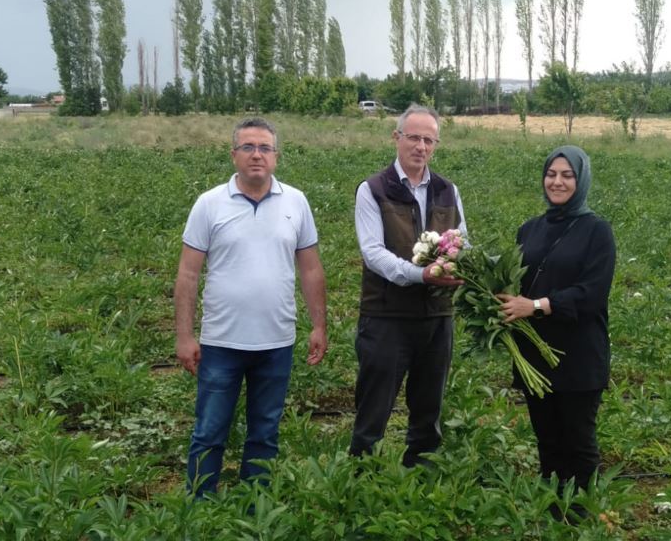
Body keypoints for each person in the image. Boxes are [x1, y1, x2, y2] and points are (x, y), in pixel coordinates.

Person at [174, 117, 328, 497]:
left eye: (265, 148)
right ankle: (199, 508)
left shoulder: (296, 201)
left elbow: (310, 269)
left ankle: (254, 507)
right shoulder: (209, 204)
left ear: (276, 156)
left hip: (276, 343)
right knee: (209, 431)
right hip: (221, 342)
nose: (256, 155)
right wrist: (184, 335)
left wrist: (318, 325)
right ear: (234, 155)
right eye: (248, 147)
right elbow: (188, 274)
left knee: (265, 432)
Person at [497, 145, 616, 519]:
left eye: (567, 175)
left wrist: (534, 306)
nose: (557, 182)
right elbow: (516, 279)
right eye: (551, 174)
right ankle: (553, 516)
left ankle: (580, 519)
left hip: (578, 356)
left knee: (578, 444)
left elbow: (591, 294)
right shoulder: (530, 228)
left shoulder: (597, 231)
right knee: (548, 442)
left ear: (580, 181)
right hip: (535, 354)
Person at [349, 104, 466, 468]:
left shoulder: (448, 190)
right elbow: (373, 253)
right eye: (413, 137)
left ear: (436, 145)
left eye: (428, 140)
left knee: (428, 406)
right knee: (374, 407)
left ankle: (421, 478)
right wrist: (421, 275)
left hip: (436, 316)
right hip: (387, 316)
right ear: (396, 138)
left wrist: (457, 263)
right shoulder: (373, 190)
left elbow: (462, 241)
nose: (421, 146)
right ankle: (361, 479)